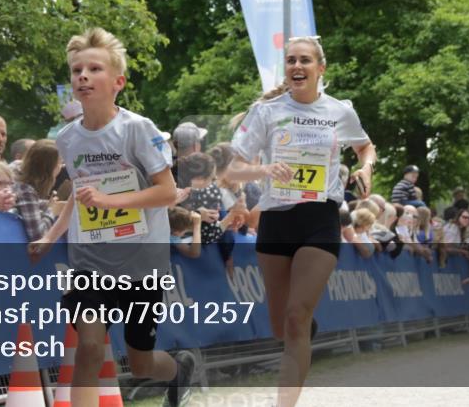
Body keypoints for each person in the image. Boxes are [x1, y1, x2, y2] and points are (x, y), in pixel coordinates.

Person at [27, 28, 195, 407]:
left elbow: (167, 192)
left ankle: (179, 369)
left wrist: (110, 201)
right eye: (76, 70)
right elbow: (80, 198)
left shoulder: (137, 129)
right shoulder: (68, 138)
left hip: (142, 263)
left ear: (118, 82)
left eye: (94, 69)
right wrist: (52, 235)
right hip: (90, 261)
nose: (83, 76)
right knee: (88, 347)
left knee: (141, 363)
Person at [225, 35, 376, 407]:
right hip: (276, 219)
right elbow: (231, 169)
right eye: (291, 60)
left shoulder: (340, 111)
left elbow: (365, 146)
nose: (297, 66)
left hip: (321, 217)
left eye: (305, 60)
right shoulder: (266, 112)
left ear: (320, 69)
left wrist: (366, 168)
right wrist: (264, 168)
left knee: (294, 318)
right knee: (283, 327)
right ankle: (304, 330)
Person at [11, 139, 63, 242]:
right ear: (49, 169)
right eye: (60, 162)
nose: (61, 167)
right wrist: (52, 210)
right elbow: (38, 236)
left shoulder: (16, 167)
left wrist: (46, 204)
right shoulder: (25, 190)